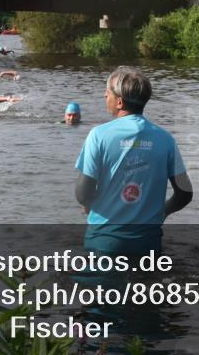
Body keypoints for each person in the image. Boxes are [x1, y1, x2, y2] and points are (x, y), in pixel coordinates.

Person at [74, 67, 192, 256]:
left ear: (119, 102)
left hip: (105, 240)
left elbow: (82, 192)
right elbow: (185, 193)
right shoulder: (166, 139)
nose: (105, 96)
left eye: (108, 93)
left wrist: (88, 204)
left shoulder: (98, 135)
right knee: (148, 285)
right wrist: (162, 212)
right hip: (148, 241)